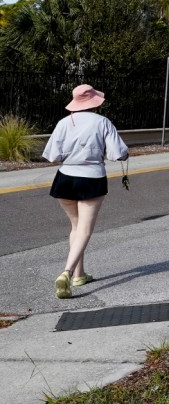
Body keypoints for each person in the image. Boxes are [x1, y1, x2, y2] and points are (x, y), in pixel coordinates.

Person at [42, 84, 129, 299]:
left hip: (65, 178)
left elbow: (52, 155)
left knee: (75, 226)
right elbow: (118, 153)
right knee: (85, 229)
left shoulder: (64, 123)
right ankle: (67, 273)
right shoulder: (102, 122)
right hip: (91, 177)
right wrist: (125, 156)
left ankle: (80, 274)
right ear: (94, 102)